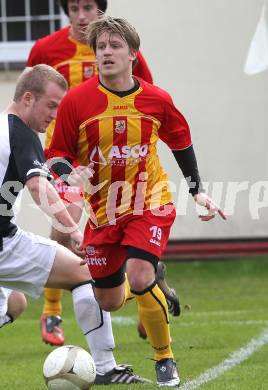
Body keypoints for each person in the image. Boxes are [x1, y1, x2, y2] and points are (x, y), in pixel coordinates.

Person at [47, 16, 226, 387]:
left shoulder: (156, 99)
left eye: (115, 46)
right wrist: (69, 175)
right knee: (109, 301)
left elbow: (180, 142)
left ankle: (165, 359)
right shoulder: (76, 102)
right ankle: (152, 282)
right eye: (101, 47)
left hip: (150, 200)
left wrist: (197, 191)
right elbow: (56, 155)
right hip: (103, 210)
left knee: (139, 273)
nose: (107, 53)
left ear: (133, 54)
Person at [26, 0, 180, 382]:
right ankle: (52, 309)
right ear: (67, 12)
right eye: (75, 8)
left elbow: (147, 98)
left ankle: (145, 286)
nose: (82, 16)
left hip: (116, 166)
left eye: (89, 8)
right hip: (69, 159)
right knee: (66, 226)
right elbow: (32, 95)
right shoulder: (46, 49)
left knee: (89, 241)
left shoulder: (121, 47)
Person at [0, 64, 99, 357]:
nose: (55, 114)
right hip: (4, 245)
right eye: (51, 105)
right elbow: (39, 188)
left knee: (15, 303)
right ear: (28, 98)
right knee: (83, 273)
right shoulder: (22, 133)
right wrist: (74, 230)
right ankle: (106, 366)